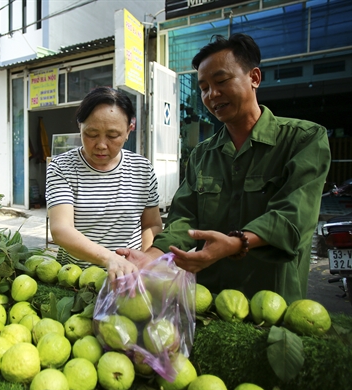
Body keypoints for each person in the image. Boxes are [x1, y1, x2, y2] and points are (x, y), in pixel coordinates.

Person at [118, 33, 331, 303]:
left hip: (272, 300)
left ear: (254, 77)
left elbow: (293, 216)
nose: (211, 94)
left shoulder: (303, 140)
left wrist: (237, 242)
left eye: (221, 81)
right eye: (204, 87)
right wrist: (151, 255)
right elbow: (184, 217)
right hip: (208, 299)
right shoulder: (202, 155)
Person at [46, 87, 163, 283]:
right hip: (74, 279)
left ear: (128, 131)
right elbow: (61, 229)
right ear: (79, 127)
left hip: (128, 278)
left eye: (112, 135)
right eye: (91, 134)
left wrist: (144, 260)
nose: (101, 144)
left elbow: (151, 224)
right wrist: (111, 259)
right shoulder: (62, 167)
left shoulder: (142, 169)